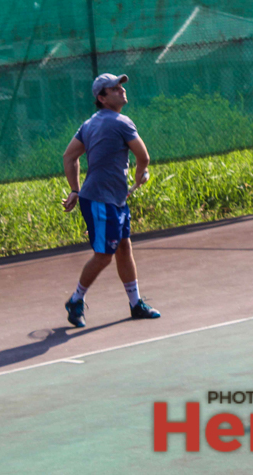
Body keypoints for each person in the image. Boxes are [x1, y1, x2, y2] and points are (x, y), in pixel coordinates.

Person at [61, 73, 160, 327]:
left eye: (120, 86)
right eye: (114, 89)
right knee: (104, 255)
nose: (121, 90)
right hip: (100, 200)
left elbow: (69, 157)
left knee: (124, 248)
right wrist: (139, 175)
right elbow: (144, 157)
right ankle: (75, 300)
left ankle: (136, 304)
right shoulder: (121, 122)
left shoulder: (88, 124)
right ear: (102, 98)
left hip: (110, 199)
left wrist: (75, 190)